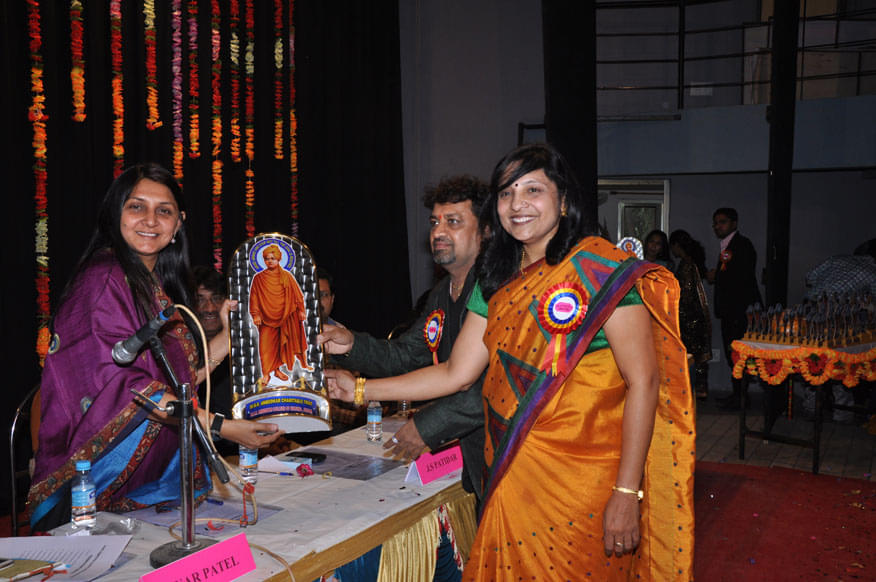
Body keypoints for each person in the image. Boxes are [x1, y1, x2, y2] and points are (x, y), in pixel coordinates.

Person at [325, 144, 695, 580]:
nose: (517, 204)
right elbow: (455, 373)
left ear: (563, 200)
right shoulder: (496, 278)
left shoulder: (601, 272)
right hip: (511, 475)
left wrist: (627, 492)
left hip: (585, 484)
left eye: (532, 190)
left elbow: (644, 382)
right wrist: (363, 390)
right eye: (506, 192)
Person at [27, 164, 282, 532]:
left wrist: (228, 336)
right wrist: (224, 428)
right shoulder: (102, 281)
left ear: (178, 224)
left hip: (145, 484)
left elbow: (179, 385)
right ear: (115, 215)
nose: (150, 220)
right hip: (93, 486)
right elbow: (134, 394)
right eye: (136, 207)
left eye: (164, 211)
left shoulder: (153, 285)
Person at [319, 175, 490, 500]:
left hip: (516, 464)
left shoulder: (497, 287)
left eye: (453, 222)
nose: (438, 232)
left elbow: (486, 386)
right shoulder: (442, 293)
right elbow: (406, 355)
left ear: (485, 230)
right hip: (480, 467)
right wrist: (351, 344)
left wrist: (429, 426)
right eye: (435, 222)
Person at [705, 207, 762, 409]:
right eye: (715, 223)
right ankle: (737, 394)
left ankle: (742, 397)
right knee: (733, 354)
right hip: (731, 310)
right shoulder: (727, 245)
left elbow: (741, 275)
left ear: (734, 223)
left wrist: (716, 276)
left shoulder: (742, 245)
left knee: (739, 353)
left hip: (740, 310)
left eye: (722, 222)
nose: (717, 226)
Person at [249, 244, 308, 382]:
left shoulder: (287, 276)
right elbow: (254, 297)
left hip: (286, 315)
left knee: (282, 344)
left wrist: (301, 310)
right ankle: (266, 373)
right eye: (267, 258)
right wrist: (255, 314)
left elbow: (297, 295)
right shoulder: (258, 278)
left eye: (273, 258)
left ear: (279, 259)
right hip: (266, 317)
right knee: (266, 346)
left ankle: (277, 370)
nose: (270, 261)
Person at [670, 229, 712, 400]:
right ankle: (697, 389)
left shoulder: (686, 265)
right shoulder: (692, 262)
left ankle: (690, 391)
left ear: (676, 246)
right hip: (696, 317)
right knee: (698, 355)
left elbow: (685, 295)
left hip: (688, 318)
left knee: (690, 356)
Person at [192, 266, 233, 421]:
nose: (209, 308)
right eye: (200, 299)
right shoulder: (181, 349)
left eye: (216, 298)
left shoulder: (243, 348)